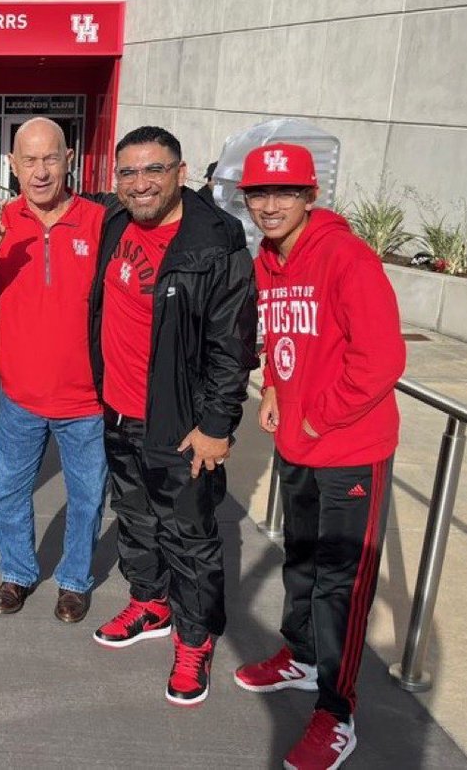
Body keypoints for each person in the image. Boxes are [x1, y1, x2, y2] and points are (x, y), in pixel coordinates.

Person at [234, 143, 404, 769]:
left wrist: (317, 413)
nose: (270, 205)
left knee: (341, 583)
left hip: (351, 449)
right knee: (301, 561)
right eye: (259, 194)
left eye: (285, 193)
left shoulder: (346, 257)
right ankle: (301, 657)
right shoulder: (269, 261)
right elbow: (278, 334)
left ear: (311, 196)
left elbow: (382, 360)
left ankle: (336, 712)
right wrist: (277, 390)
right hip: (299, 444)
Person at [88, 126, 257, 707]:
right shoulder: (115, 220)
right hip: (119, 410)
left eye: (153, 170)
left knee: (190, 534)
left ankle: (194, 637)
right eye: (129, 172)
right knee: (135, 517)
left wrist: (217, 425)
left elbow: (232, 346)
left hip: (182, 423)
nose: (141, 183)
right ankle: (151, 602)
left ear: (180, 172)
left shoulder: (215, 241)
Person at [0, 117, 107, 625]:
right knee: (10, 494)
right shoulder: (1, 223)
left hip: (85, 400)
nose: (40, 171)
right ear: (13, 166)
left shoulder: (98, 222)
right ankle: (17, 572)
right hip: (20, 396)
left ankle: (74, 581)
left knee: (86, 499)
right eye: (29, 160)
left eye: (50, 158)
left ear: (69, 160)